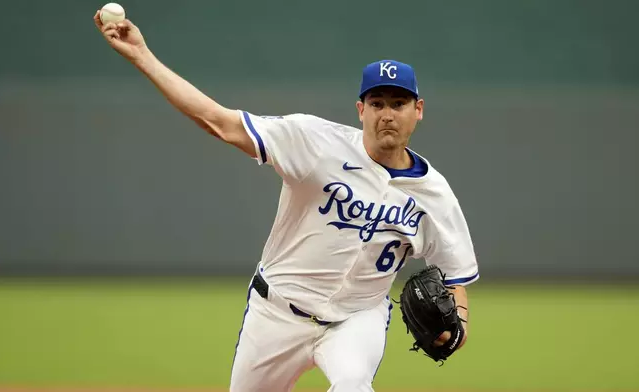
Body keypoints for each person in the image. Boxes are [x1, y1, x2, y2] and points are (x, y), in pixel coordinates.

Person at [93, 9, 479, 392]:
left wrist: (459, 324)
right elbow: (219, 122)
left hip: (356, 319)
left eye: (399, 104)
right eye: (377, 103)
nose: (387, 114)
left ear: (418, 110)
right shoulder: (313, 142)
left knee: (353, 386)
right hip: (276, 311)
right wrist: (142, 55)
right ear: (361, 110)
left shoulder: (435, 194)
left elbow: (454, 275)